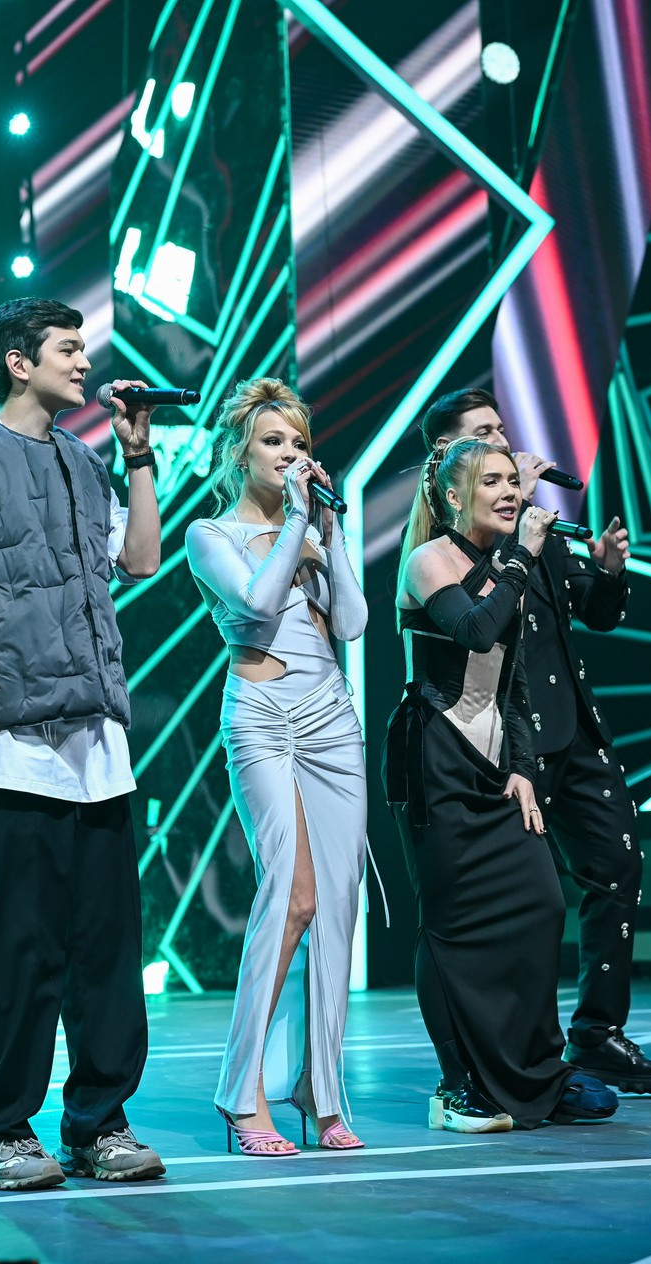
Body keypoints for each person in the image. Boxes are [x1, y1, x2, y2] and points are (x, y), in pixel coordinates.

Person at [0, 296, 166, 1190]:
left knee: (107, 948)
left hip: (98, 743)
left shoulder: (87, 462)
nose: (84, 362)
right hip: (11, 738)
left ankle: (98, 1123)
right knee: (22, 946)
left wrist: (136, 455)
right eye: (67, 348)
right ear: (18, 361)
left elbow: (140, 559)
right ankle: (0, 1131)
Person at [416, 391, 651, 1094]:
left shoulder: (536, 532)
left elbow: (596, 612)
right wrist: (520, 526)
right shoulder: (457, 549)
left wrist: (610, 571)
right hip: (504, 740)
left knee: (617, 867)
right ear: (449, 460)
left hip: (574, 726)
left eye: (503, 432)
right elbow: (479, 624)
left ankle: (598, 1032)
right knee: (524, 900)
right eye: (485, 437)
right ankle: (511, 1057)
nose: (505, 444)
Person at [388, 437, 619, 1132]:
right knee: (451, 926)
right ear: (453, 496)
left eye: (511, 481)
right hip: (434, 757)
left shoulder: (506, 564)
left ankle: (536, 1071)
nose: (511, 491)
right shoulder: (429, 560)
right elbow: (476, 632)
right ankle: (458, 1085)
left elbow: (513, 684)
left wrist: (522, 767)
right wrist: (520, 556)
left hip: (495, 761)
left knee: (542, 903)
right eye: (493, 481)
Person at [185, 379, 372, 1156]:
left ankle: (320, 1090)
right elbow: (257, 608)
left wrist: (331, 531)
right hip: (262, 719)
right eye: (274, 442)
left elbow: (353, 624)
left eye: (299, 443)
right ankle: (242, 1092)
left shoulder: (312, 531)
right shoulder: (210, 534)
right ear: (240, 453)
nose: (291, 454)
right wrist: (297, 523)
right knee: (290, 897)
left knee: (336, 906)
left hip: (333, 718)